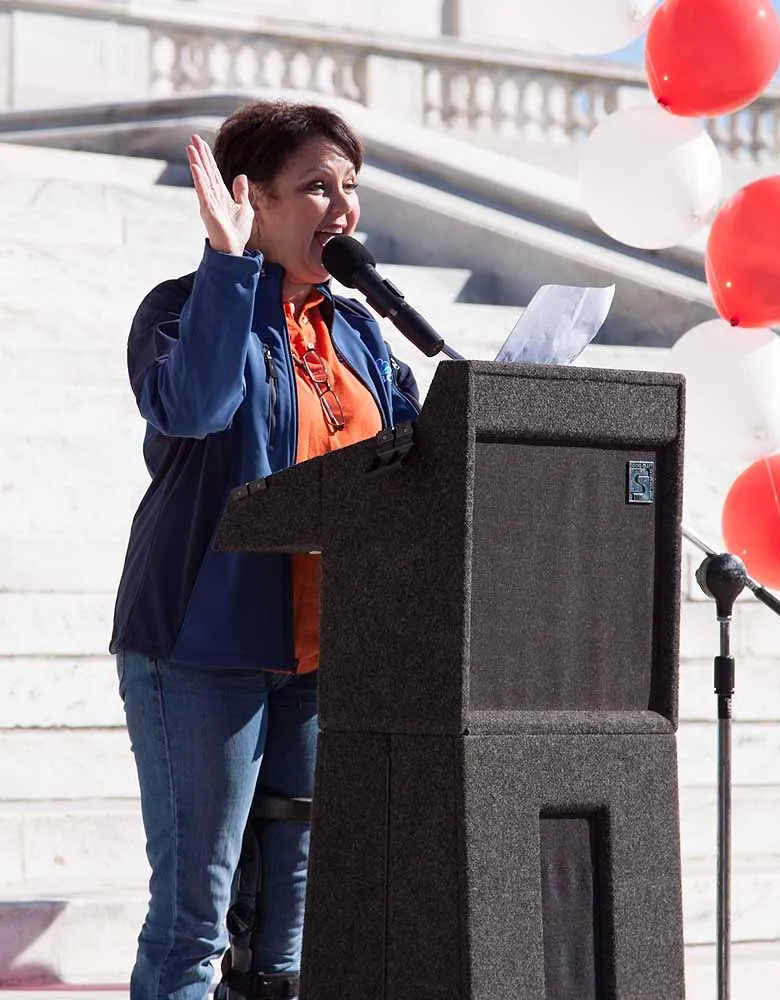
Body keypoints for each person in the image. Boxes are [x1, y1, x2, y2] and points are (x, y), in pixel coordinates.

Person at [110, 100, 420, 1000]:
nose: (342, 207)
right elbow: (196, 407)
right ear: (253, 199)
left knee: (290, 933)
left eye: (350, 185)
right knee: (193, 923)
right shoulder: (179, 307)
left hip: (323, 656)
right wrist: (227, 262)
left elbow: (415, 459)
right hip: (201, 648)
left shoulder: (356, 329)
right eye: (317, 186)